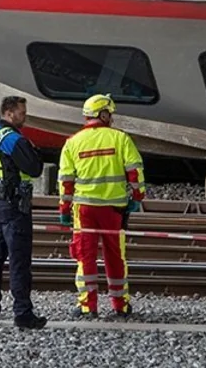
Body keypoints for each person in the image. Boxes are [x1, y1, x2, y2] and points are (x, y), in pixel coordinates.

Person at [57, 94, 146, 318]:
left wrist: (64, 210)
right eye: (110, 114)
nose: (112, 118)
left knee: (84, 257)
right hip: (114, 208)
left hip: (84, 209)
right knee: (115, 256)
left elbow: (66, 182)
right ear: (103, 114)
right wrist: (137, 197)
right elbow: (135, 172)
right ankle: (120, 305)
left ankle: (88, 306)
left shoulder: (72, 142)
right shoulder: (121, 139)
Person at [0, 96, 47, 330]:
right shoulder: (13, 140)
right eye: (22, 113)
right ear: (10, 113)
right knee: (19, 261)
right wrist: (35, 152)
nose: (25, 117)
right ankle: (22, 313)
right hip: (15, 208)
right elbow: (34, 169)